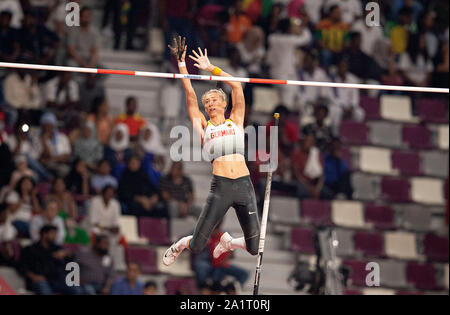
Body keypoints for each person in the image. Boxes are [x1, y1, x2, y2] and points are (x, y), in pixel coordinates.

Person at [162, 37, 261, 266]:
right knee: (196, 246)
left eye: (215, 100)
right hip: (222, 186)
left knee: (255, 248)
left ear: (224, 104)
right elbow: (189, 96)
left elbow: (236, 84)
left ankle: (229, 242)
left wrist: (211, 68)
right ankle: (179, 244)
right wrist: (181, 64)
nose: (210, 104)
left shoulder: (236, 120)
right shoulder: (204, 127)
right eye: (207, 103)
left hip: (244, 184)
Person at [20, 224, 82, 295]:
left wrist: (66, 254)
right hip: (40, 280)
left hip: (57, 280)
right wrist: (33, 277)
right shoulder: (30, 249)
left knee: (77, 289)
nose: (55, 236)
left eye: (55, 234)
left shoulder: (57, 248)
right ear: (44, 234)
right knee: (44, 289)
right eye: (52, 233)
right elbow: (22, 266)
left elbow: (71, 259)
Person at [267, 18, 312, 108]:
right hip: (284, 75)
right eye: (291, 27)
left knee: (287, 99)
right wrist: (304, 26)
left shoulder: (272, 38)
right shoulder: (288, 40)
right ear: (288, 28)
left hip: (276, 73)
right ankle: (284, 117)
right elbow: (306, 39)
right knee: (287, 100)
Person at [328, 57, 365, 135]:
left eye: (344, 66)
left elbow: (355, 96)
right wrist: (343, 107)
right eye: (341, 66)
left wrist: (352, 106)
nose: (342, 68)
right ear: (337, 67)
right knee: (336, 111)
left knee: (360, 113)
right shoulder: (332, 79)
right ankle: (335, 134)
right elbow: (331, 97)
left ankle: (356, 134)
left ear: (347, 67)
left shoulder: (353, 79)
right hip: (337, 106)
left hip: (350, 106)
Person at [290, 133, 333, 200]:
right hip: (302, 184)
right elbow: (297, 175)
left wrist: (317, 189)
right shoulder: (297, 154)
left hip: (315, 185)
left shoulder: (317, 154)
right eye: (307, 140)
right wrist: (309, 188)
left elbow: (322, 175)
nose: (308, 143)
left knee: (328, 193)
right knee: (301, 191)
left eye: (311, 141)